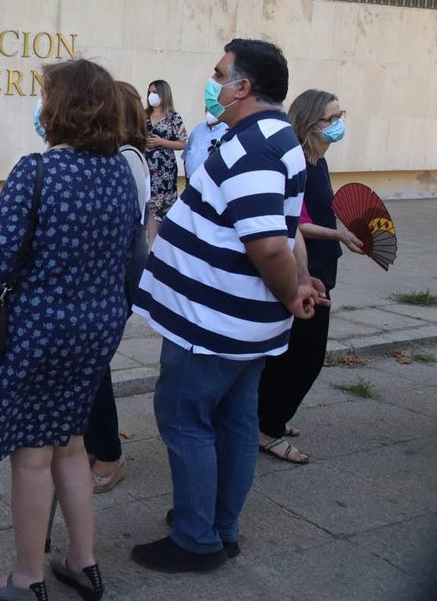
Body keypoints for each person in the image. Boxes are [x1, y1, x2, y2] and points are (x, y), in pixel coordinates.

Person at [131, 38, 325, 574]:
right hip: (238, 323)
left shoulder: (256, 146)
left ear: (242, 87)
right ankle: (220, 526)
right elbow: (287, 227)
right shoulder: (274, 137)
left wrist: (292, 290)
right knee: (235, 422)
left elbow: (266, 242)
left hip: (213, 323)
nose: (213, 84)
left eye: (219, 75)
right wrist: (301, 279)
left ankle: (197, 539)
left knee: (185, 419)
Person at [0, 60, 139, 601]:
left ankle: (27, 579)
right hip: (99, 326)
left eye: (45, 96)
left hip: (40, 331)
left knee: (33, 455)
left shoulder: (36, 171)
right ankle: (83, 563)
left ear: (60, 107)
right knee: (72, 443)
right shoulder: (120, 172)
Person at [257, 90, 361, 464]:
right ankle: (267, 428)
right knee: (306, 357)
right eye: (332, 118)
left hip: (321, 265)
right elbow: (296, 224)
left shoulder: (319, 160)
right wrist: (339, 234)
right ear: (311, 121)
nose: (338, 124)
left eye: (340, 115)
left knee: (289, 352)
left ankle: (267, 417)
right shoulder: (296, 161)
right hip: (304, 270)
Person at [84, 81, 150, 496]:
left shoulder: (125, 160)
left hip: (115, 276)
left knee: (94, 369)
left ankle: (109, 455)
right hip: (115, 273)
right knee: (91, 366)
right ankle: (96, 447)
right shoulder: (126, 157)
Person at [144, 79, 187, 246]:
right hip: (145, 166)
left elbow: (183, 143)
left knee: (160, 207)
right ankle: (147, 243)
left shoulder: (173, 118)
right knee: (147, 203)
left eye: (155, 92)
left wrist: (161, 142)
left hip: (164, 170)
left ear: (163, 93)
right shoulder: (143, 114)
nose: (151, 96)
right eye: (149, 92)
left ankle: (158, 244)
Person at [182, 108, 228, 181]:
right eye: (207, 109)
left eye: (212, 108)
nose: (209, 112)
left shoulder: (227, 131)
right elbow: (187, 154)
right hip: (190, 180)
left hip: (211, 183)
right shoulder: (198, 128)